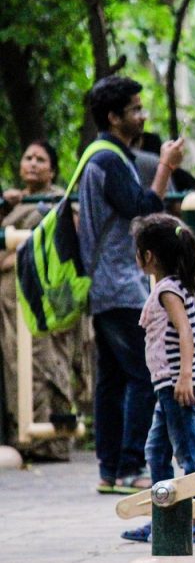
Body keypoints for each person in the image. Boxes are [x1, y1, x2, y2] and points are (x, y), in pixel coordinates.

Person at [79, 75, 186, 494]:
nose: (142, 116)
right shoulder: (106, 160)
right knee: (145, 375)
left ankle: (110, 470)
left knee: (112, 380)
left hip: (106, 286)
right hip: (118, 285)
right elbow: (144, 210)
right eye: (135, 110)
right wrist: (165, 166)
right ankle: (128, 467)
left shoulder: (106, 157)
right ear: (113, 117)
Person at [121, 213, 195, 545]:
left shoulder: (168, 291)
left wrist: (184, 375)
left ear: (149, 256)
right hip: (167, 386)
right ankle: (165, 515)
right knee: (156, 451)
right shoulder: (166, 288)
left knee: (189, 452)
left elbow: (185, 331)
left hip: (177, 384)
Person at [0, 141, 86, 461]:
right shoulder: (15, 201)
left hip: (41, 302)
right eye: (28, 158)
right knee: (15, 367)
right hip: (9, 303)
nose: (33, 164)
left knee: (46, 364)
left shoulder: (57, 202)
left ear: (52, 169)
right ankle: (24, 437)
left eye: (41, 159)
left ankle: (52, 441)